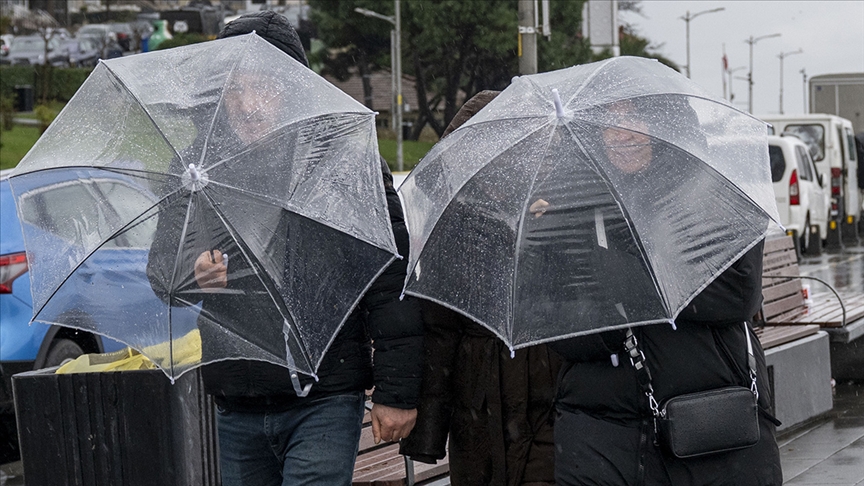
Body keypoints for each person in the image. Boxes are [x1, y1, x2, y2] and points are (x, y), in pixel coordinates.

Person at [146, 11, 423, 486]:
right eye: (236, 88)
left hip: (324, 396)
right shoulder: (198, 169)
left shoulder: (339, 161)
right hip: (237, 400)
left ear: (296, 86)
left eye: (266, 87)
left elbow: (389, 283)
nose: (249, 104)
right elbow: (161, 271)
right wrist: (189, 272)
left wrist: (397, 392)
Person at [548, 98, 783, 485]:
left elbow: (737, 294)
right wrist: (609, 327)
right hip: (601, 429)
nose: (620, 133)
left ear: (668, 124)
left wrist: (634, 282)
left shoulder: (716, 193)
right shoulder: (570, 204)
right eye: (608, 120)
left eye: (635, 117)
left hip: (709, 418)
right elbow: (557, 323)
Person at [399, 91, 562, 486]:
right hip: (477, 405)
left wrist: (549, 229)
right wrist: (429, 432)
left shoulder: (561, 206)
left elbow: (582, 295)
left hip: (549, 394)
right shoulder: (451, 221)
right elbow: (440, 328)